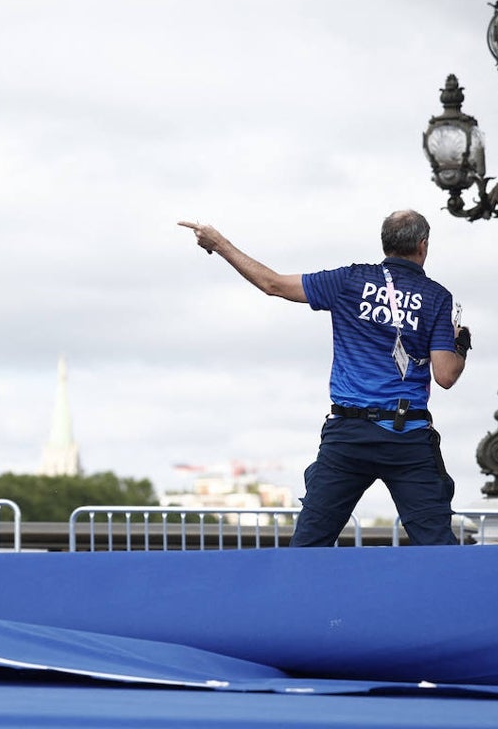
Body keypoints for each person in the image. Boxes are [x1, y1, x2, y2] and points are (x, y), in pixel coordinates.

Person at [178, 210, 470, 546]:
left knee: (309, 546)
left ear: (385, 243)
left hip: (348, 436)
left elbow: (272, 284)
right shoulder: (436, 298)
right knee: (438, 549)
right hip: (407, 436)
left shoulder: (348, 281)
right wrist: (461, 341)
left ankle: (292, 598)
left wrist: (219, 243)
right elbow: (446, 375)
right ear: (423, 246)